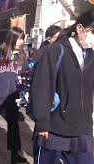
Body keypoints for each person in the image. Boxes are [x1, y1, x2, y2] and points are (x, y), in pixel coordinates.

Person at [30, 10, 94, 164]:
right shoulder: (56, 50)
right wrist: (42, 122)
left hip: (82, 128)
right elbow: (42, 86)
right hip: (54, 127)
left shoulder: (91, 55)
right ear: (80, 28)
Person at [0, 27, 27, 163]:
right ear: (12, 38)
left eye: (22, 38)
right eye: (19, 38)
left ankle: (15, 154)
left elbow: (23, 72)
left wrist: (22, 78)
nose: (21, 41)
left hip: (12, 96)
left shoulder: (21, 55)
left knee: (13, 125)